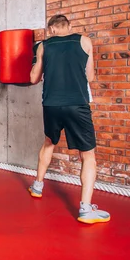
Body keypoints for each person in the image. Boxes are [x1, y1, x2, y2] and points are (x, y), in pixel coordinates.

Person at [28, 14, 110, 224]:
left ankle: (37, 186)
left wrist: (36, 60)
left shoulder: (43, 46)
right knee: (88, 154)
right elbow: (90, 77)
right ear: (69, 26)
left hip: (51, 105)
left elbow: (33, 78)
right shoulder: (84, 41)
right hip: (77, 105)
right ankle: (85, 209)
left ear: (52, 29)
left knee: (49, 142)